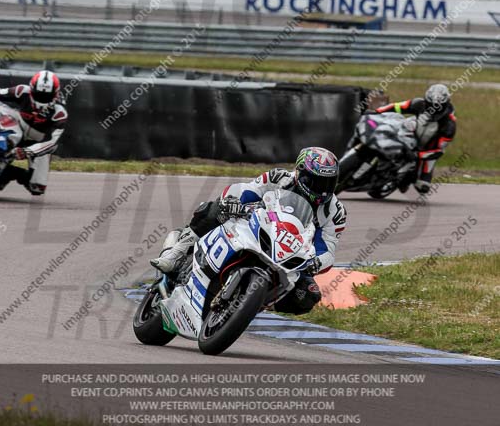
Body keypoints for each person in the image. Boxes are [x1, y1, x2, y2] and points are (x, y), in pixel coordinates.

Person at [151, 147, 347, 315]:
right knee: (214, 209)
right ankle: (176, 253)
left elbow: (328, 249)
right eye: (316, 182)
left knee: (308, 295)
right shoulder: (278, 177)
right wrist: (232, 203)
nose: (322, 190)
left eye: (328, 183)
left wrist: (316, 262)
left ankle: (251, 304)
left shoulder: (335, 212)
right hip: (256, 225)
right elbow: (246, 190)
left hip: (292, 253)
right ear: (300, 173)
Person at [0, 71, 67, 196]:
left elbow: (51, 143)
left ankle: (9, 174)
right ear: (31, 90)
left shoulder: (59, 114)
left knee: (37, 187)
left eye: (46, 97)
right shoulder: (22, 91)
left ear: (55, 94)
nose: (41, 99)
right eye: (38, 95)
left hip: (36, 143)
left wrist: (27, 151)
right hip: (16, 125)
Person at [375, 83, 456, 193]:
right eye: (430, 104)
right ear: (426, 100)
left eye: (438, 107)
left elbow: (438, 150)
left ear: (446, 104)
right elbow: (397, 107)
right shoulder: (419, 104)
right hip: (410, 133)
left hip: (427, 151)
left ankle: (406, 180)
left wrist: (419, 155)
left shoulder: (449, 124)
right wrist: (377, 112)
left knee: (423, 187)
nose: (434, 109)